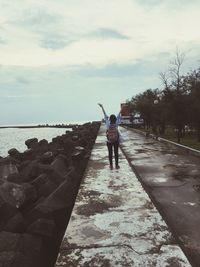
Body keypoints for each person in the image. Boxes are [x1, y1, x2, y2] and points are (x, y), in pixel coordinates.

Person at [98, 103, 121, 170]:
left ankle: (111, 165)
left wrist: (102, 107)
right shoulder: (116, 124)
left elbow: (104, 114)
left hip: (109, 141)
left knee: (110, 153)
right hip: (116, 140)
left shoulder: (108, 123)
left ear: (110, 119)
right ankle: (116, 165)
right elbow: (119, 115)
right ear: (115, 119)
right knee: (116, 153)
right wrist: (122, 108)